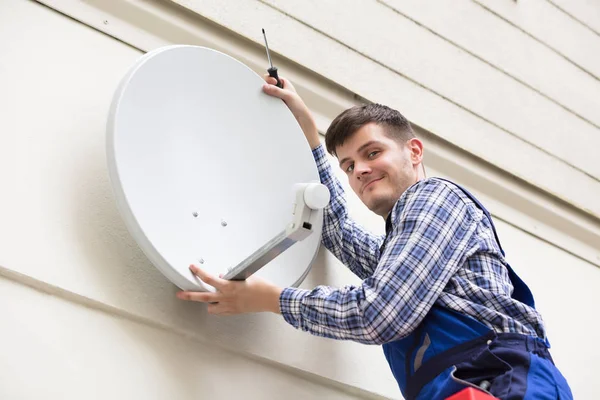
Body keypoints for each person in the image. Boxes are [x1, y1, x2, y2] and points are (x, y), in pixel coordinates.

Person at [177, 76, 573, 399]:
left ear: (414, 151)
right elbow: (337, 232)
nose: (359, 171)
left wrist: (269, 299)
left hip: (500, 385)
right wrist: (310, 137)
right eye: (348, 165)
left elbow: (380, 313)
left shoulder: (434, 198)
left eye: (372, 153)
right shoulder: (405, 248)